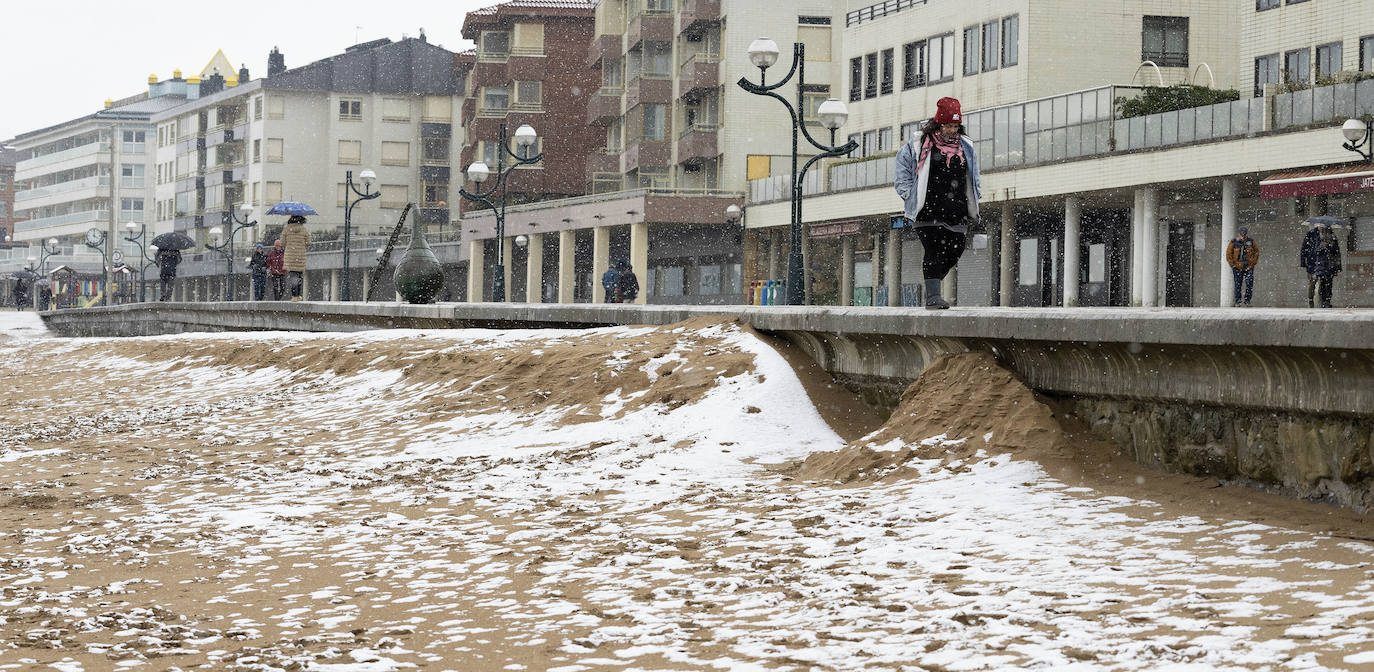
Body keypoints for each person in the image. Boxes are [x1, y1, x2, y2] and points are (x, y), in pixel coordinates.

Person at [893, 96, 982, 310]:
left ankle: (932, 281)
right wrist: (908, 194)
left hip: (956, 209)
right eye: (948, 125)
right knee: (933, 250)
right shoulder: (919, 145)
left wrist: (976, 197)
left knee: (955, 249)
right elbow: (902, 172)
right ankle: (933, 297)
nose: (952, 130)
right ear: (938, 124)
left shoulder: (966, 147)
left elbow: (974, 175)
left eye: (955, 126)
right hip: (927, 210)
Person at [1300, 221, 1342, 308]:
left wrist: (1329, 246)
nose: (1322, 228)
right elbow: (1305, 248)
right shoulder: (1311, 234)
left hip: (1327, 264)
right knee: (1312, 284)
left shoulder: (1331, 234)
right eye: (1321, 226)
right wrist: (1303, 262)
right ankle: (1311, 301)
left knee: (1325, 283)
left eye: (1324, 226)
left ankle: (1325, 301)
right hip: (1313, 263)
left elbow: (1336, 251)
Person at [1225, 227, 1259, 307]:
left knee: (1249, 283)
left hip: (1249, 267)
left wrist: (1252, 264)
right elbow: (1228, 254)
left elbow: (1256, 252)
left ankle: (1247, 300)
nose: (1243, 236)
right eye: (1241, 235)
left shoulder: (1251, 242)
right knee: (1238, 284)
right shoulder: (1233, 242)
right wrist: (1232, 265)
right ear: (1239, 234)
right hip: (1237, 267)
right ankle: (1238, 301)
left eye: (1244, 234)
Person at [281, 215, 310, 301]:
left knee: (293, 277)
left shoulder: (286, 230)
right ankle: (297, 295)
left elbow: (282, 243)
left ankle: (294, 295)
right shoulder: (304, 230)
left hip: (290, 256)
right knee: (299, 276)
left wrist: (289, 243)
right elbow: (308, 243)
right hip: (300, 256)